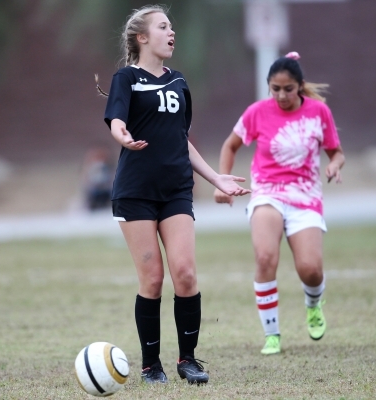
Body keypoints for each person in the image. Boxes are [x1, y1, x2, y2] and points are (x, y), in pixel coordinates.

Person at [97, 5, 251, 384]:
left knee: (185, 272)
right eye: (163, 27)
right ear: (142, 37)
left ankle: (188, 360)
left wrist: (217, 179)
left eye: (172, 27)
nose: (172, 33)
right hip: (135, 192)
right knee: (152, 279)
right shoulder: (127, 78)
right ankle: (151, 366)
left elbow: (181, 141)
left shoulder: (179, 81)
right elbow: (116, 120)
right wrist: (122, 135)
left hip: (177, 190)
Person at [214, 52, 345, 355]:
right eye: (275, 89)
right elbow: (230, 145)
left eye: (288, 89)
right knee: (264, 258)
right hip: (267, 193)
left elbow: (336, 152)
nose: (281, 95)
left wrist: (335, 165)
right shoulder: (257, 112)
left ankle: (313, 304)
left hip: (305, 197)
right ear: (268, 87)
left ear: (299, 86)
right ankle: (271, 333)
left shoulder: (318, 112)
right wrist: (223, 180)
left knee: (311, 269)